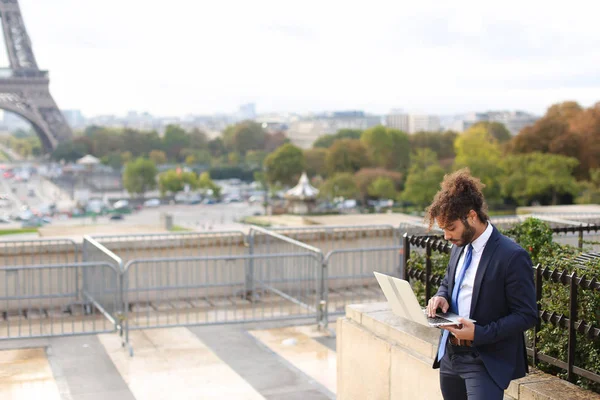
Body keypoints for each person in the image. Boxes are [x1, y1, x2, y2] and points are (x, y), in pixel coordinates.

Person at [425, 169, 538, 399]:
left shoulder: (512, 256)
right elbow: (448, 282)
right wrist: (441, 296)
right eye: (443, 229)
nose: (446, 236)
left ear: (472, 216)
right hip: (449, 355)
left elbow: (527, 315)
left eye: (451, 228)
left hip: (484, 360)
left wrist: (479, 333)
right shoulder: (458, 246)